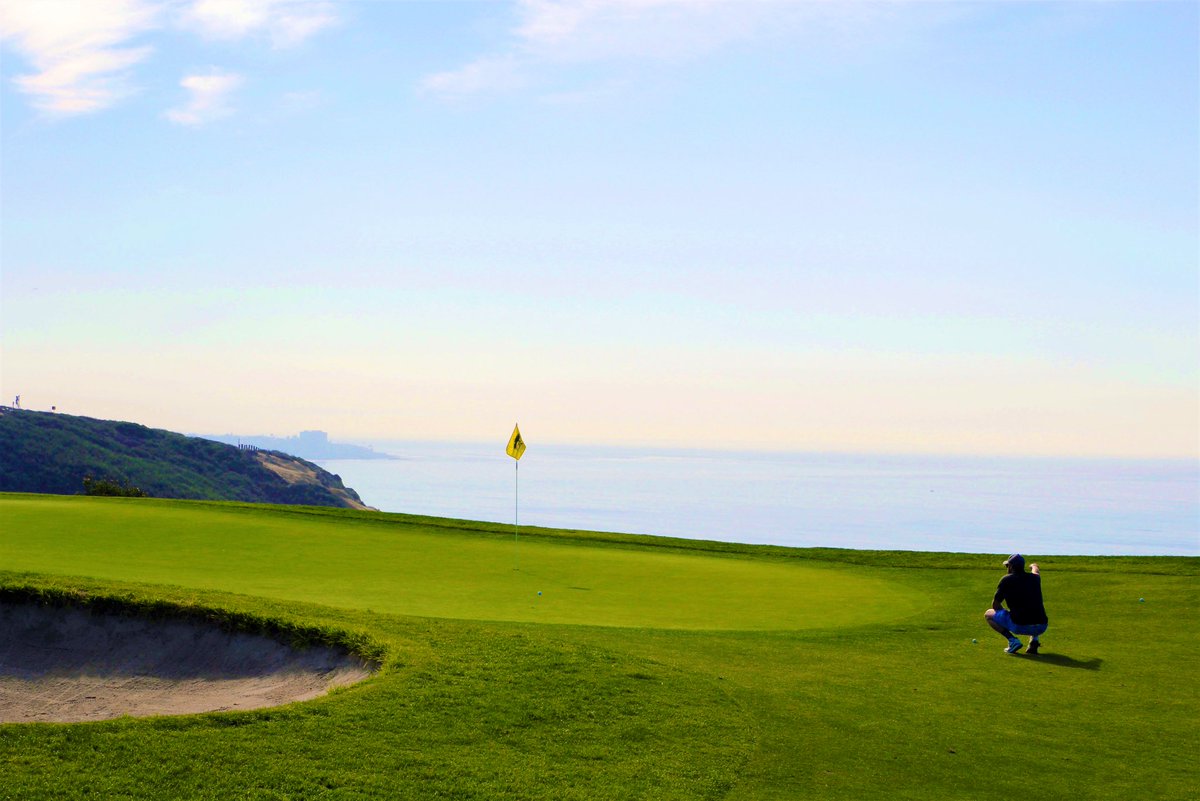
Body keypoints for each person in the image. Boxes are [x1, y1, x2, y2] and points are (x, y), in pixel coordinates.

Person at [985, 554, 1048, 655]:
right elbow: (1036, 571)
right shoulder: (1035, 579)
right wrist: (1034, 565)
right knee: (1033, 611)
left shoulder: (1006, 580)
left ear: (1011, 567)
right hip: (1042, 626)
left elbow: (995, 605)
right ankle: (1034, 642)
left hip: (1019, 626)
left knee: (988, 614)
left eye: (1007, 566)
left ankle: (1013, 641)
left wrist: (1006, 614)